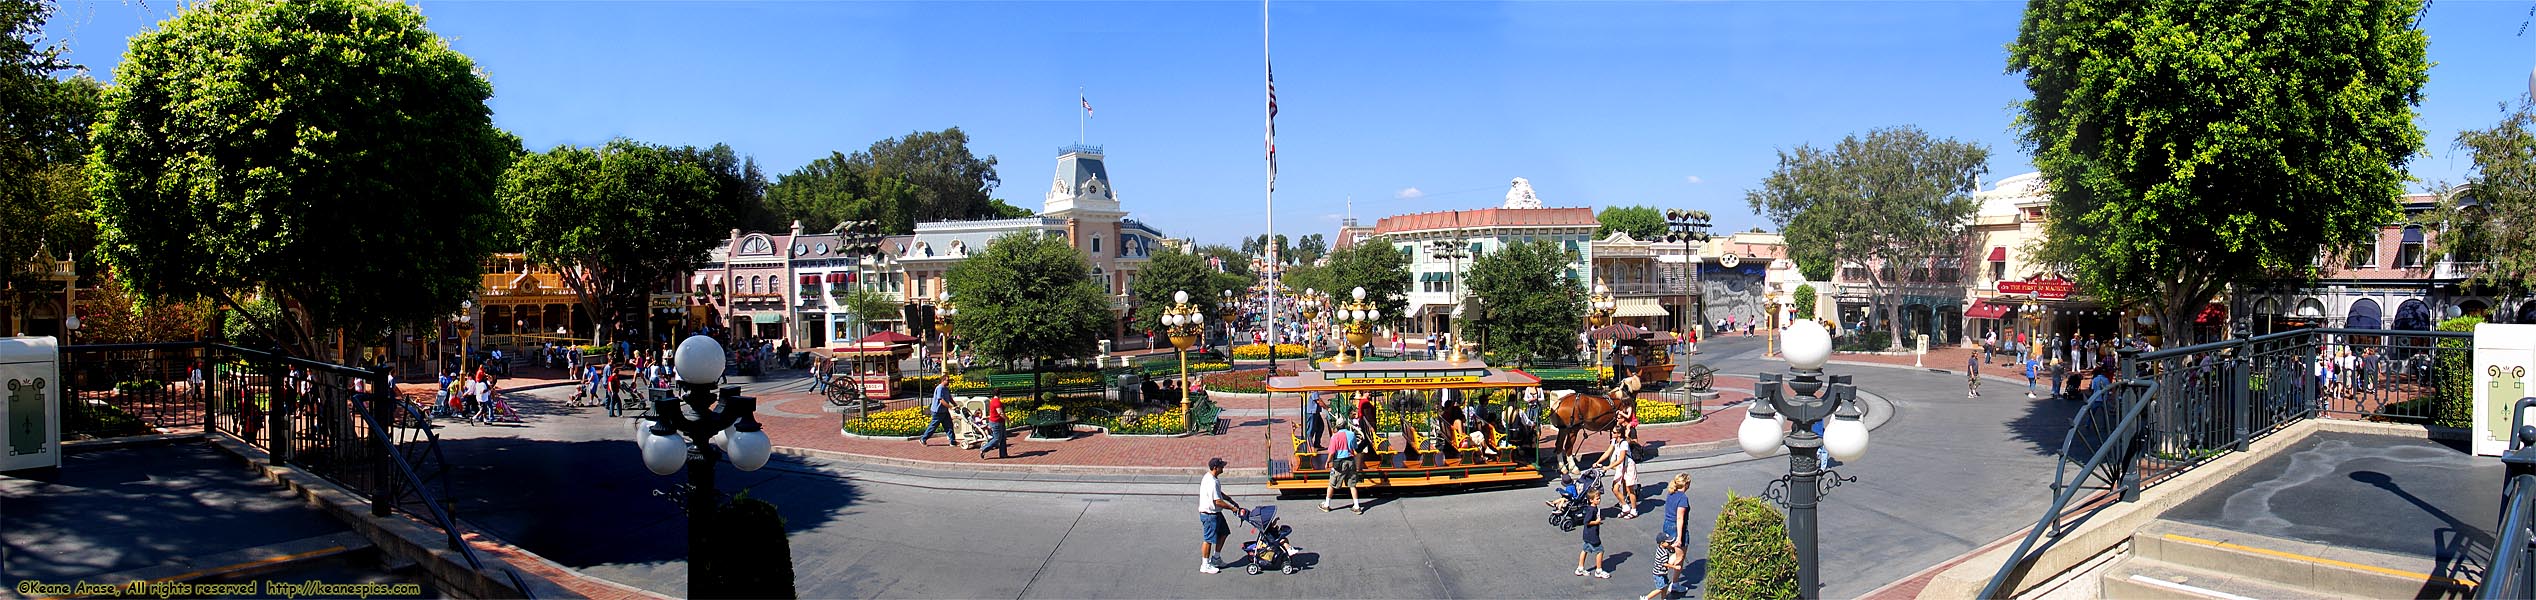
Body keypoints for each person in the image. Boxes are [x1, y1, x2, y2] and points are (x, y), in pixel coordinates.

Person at [1197, 457, 1246, 573]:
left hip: (1216, 513)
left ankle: (1216, 558)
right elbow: (1217, 501)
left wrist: (1228, 498)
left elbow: (1217, 494)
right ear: (1215, 468)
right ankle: (1205, 564)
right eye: (1221, 466)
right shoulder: (1212, 482)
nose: (1223, 468)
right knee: (1208, 539)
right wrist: (1232, 508)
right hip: (1210, 514)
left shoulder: (1210, 477)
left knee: (1224, 533)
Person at [1322, 425, 1362, 514]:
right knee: (1352, 485)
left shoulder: (1335, 437)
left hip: (1340, 463)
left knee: (1332, 483)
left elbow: (1332, 452)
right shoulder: (1351, 434)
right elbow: (1354, 447)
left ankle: (1326, 505)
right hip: (1350, 461)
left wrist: (1327, 462)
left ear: (1337, 427)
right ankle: (1357, 506)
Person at [1598, 435, 1640, 518]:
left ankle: (1634, 510)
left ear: (1619, 434)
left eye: (1614, 432)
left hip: (1628, 467)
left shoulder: (1624, 443)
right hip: (1620, 467)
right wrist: (1597, 461)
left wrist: (1608, 467)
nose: (1612, 433)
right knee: (1615, 488)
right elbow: (1608, 452)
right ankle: (1625, 507)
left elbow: (1621, 459)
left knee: (1629, 489)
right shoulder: (1614, 441)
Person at [1576, 485, 1609, 579]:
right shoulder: (1592, 510)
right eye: (1597, 499)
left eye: (1599, 498)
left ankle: (1580, 568)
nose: (1599, 500)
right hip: (1592, 535)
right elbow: (1586, 521)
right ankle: (1599, 570)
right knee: (1600, 551)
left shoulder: (1592, 508)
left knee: (1585, 549)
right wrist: (1597, 522)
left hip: (1587, 535)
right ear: (1591, 500)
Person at [1657, 473, 1692, 547]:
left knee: (1672, 552)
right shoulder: (1683, 498)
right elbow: (1679, 518)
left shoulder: (1671, 493)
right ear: (1686, 484)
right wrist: (1679, 538)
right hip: (1675, 527)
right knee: (1679, 556)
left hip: (1667, 524)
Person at [919, 377, 954, 446]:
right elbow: (941, 400)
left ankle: (952, 441)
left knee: (949, 425)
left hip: (944, 411)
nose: (948, 382)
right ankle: (923, 438)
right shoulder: (940, 388)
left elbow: (949, 398)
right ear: (943, 380)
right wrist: (950, 407)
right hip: (937, 411)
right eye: (947, 380)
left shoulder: (946, 389)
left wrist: (955, 405)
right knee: (933, 426)